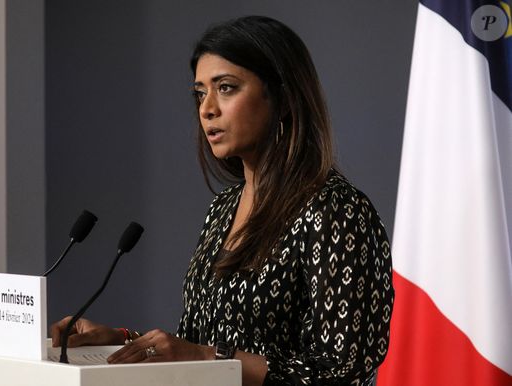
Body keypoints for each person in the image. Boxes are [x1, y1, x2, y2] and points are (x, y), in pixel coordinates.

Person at [50, 15, 394, 386]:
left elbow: (341, 372)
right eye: (200, 92)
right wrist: (126, 343)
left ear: (283, 98)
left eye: (226, 88)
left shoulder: (338, 212)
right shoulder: (224, 208)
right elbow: (200, 344)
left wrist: (204, 355)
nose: (207, 108)